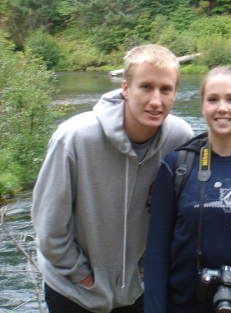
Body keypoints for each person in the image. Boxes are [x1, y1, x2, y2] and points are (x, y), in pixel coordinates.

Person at [32, 44, 194, 313]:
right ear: (126, 88)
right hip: (74, 292)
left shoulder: (180, 139)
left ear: (175, 93)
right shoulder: (74, 138)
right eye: (146, 87)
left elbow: (183, 217)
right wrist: (80, 274)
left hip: (138, 291)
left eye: (165, 89)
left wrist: (147, 269)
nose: (156, 100)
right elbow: (49, 226)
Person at [144, 67, 231, 313]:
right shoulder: (175, 168)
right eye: (213, 99)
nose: (222, 108)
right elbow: (156, 257)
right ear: (202, 106)